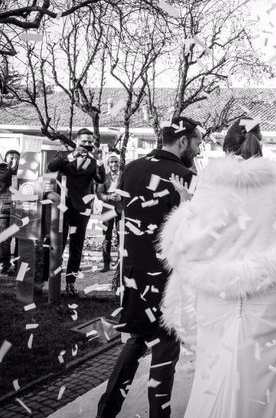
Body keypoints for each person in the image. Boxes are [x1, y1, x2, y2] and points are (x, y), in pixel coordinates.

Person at [159, 117, 276, 418]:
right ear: (261, 145)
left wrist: (186, 207)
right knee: (259, 389)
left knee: (211, 380)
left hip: (216, 298)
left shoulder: (211, 183)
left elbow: (186, 244)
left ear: (226, 147)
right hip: (268, 302)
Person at [96, 117, 202, 418]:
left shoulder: (131, 169)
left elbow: (122, 214)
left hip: (133, 274)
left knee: (133, 345)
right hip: (169, 279)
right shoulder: (187, 176)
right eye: (196, 143)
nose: (198, 149)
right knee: (166, 350)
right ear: (182, 141)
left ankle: (106, 411)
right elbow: (190, 233)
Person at [47, 128, 105, 297]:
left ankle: (70, 283)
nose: (87, 145)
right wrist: (71, 156)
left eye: (90, 142)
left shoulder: (94, 161)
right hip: (63, 207)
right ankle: (53, 283)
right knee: (58, 244)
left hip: (83, 208)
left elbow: (100, 179)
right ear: (76, 140)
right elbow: (51, 167)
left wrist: (100, 163)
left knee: (76, 246)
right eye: (84, 141)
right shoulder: (64, 155)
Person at [96, 154, 122, 273]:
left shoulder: (124, 176)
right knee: (107, 238)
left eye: (116, 162)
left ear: (119, 163)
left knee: (122, 236)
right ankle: (106, 263)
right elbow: (99, 193)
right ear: (108, 164)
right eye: (111, 162)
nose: (114, 164)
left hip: (121, 208)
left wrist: (121, 196)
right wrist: (108, 197)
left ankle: (120, 262)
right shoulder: (103, 177)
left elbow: (129, 190)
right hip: (107, 209)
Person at [0, 150, 20, 274]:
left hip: (21, 210)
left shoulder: (24, 171)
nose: (14, 160)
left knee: (21, 238)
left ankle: (18, 265)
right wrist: (11, 169)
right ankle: (5, 265)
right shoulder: (2, 170)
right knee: (4, 239)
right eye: (11, 157)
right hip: (5, 209)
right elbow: (2, 182)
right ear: (6, 159)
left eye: (17, 158)